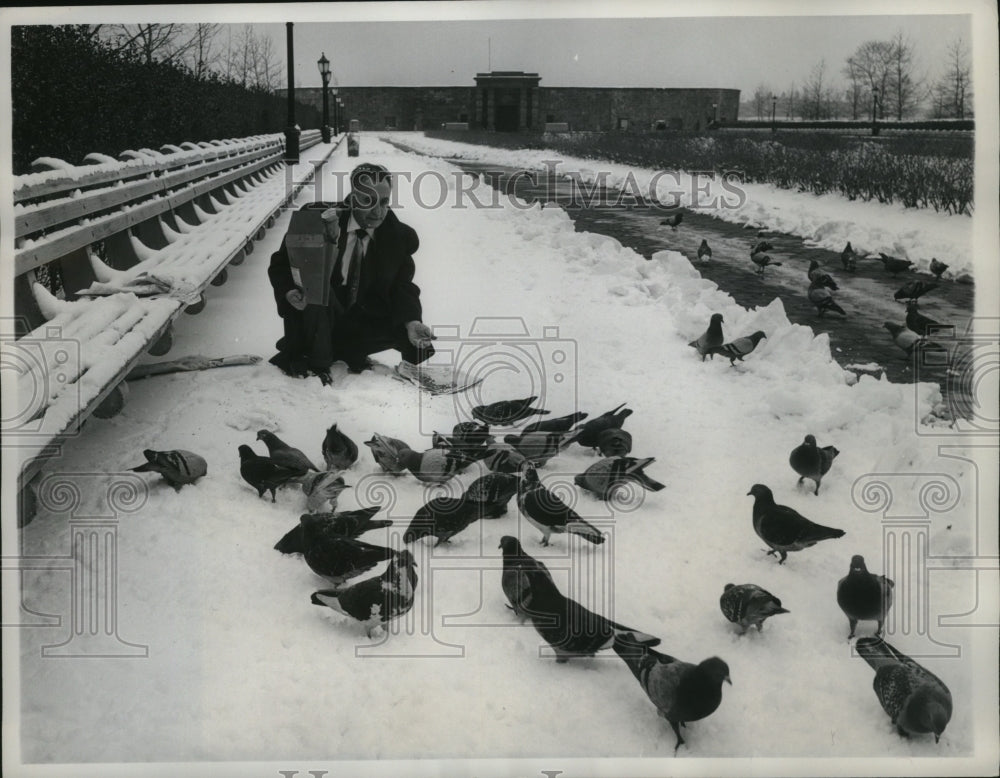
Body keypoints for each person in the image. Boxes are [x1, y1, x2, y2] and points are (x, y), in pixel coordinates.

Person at [267, 162, 436, 384]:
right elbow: (280, 265)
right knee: (317, 287)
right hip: (318, 312)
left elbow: (401, 286)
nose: (378, 212)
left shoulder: (399, 237)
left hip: (360, 318)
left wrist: (412, 321)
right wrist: (289, 291)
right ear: (353, 197)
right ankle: (317, 358)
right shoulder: (316, 220)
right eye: (368, 201)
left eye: (384, 202)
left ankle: (341, 350)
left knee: (410, 332)